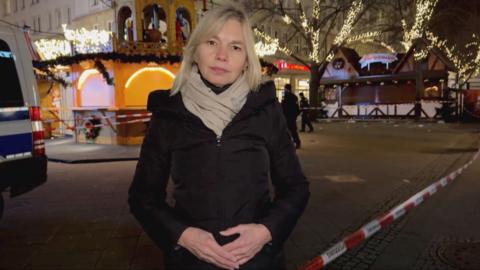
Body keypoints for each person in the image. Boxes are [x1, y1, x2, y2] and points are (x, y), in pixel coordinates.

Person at [129, 3, 310, 270]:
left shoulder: (265, 110)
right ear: (195, 52)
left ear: (246, 59)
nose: (222, 55)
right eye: (212, 42)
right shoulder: (168, 114)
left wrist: (265, 232)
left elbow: (296, 187)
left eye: (235, 47)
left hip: (257, 263)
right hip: (191, 263)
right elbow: (143, 196)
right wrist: (184, 236)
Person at [281, 84, 301, 149]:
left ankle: (288, 144)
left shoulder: (286, 97)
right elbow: (297, 108)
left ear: (286, 89)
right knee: (293, 131)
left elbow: (283, 106)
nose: (284, 90)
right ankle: (297, 142)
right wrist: (295, 116)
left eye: (284, 89)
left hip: (287, 116)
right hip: (292, 117)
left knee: (286, 131)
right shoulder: (294, 97)